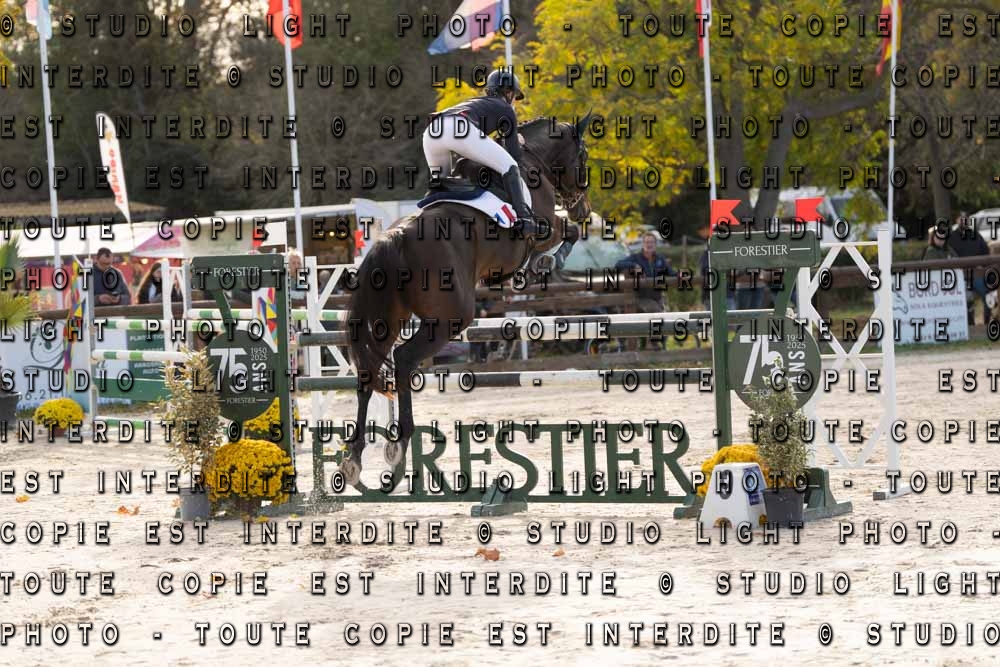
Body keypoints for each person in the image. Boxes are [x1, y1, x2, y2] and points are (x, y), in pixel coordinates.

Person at [423, 69, 538, 234]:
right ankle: (525, 219)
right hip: (459, 128)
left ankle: (425, 215)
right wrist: (517, 143)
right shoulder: (506, 108)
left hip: (432, 131)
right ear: (509, 92)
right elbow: (514, 155)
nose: (515, 101)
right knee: (510, 166)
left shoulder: (477, 103)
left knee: (440, 185)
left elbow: (477, 147)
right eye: (515, 96)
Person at [615, 232, 677, 351]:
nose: (649, 244)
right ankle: (651, 344)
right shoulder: (636, 257)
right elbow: (618, 264)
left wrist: (679, 275)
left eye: (652, 242)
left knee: (662, 316)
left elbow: (671, 272)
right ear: (643, 244)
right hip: (641, 297)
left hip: (657, 296)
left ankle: (652, 343)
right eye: (647, 242)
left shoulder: (660, 259)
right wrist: (634, 265)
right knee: (655, 311)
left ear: (655, 244)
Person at [948, 212, 991, 325]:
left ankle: (986, 323)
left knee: (988, 296)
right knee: (965, 300)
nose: (963, 221)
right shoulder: (951, 238)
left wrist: (982, 265)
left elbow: (985, 252)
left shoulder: (976, 235)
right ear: (956, 220)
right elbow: (949, 256)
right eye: (960, 218)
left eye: (965, 218)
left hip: (976, 274)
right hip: (960, 276)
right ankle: (970, 325)